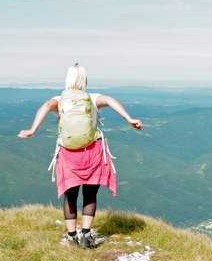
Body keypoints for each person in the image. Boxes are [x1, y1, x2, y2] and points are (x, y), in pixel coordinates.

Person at [18, 63, 142, 248]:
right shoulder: (92, 98)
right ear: (85, 80)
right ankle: (86, 236)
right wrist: (129, 118)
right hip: (92, 152)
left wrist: (32, 129)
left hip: (68, 155)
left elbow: (45, 106)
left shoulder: (59, 100)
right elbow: (109, 100)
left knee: (71, 195)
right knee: (90, 194)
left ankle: (71, 237)